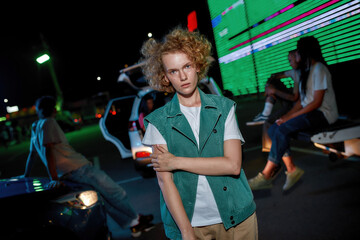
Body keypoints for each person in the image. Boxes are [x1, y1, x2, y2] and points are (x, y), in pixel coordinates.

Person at [140, 28, 257, 240]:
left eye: (187, 66)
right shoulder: (157, 122)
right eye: (173, 71)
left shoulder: (224, 108)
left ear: (197, 65)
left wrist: (175, 162)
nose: (183, 76)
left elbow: (232, 165)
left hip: (238, 219)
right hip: (191, 226)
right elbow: (165, 182)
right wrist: (186, 231)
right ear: (165, 76)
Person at [23, 96, 154, 237]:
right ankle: (136, 220)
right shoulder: (48, 122)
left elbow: (32, 154)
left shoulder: (35, 126)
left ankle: (134, 223)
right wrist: (53, 178)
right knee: (115, 192)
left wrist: (25, 176)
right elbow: (48, 151)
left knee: (105, 198)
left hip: (69, 173)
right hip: (79, 168)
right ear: (51, 109)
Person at [248, 36, 338, 191]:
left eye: (297, 53)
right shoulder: (306, 72)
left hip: (323, 114)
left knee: (283, 128)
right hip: (312, 112)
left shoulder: (319, 69)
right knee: (274, 128)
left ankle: (266, 175)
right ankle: (292, 169)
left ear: (305, 53)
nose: (295, 56)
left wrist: (290, 117)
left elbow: (316, 103)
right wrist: (286, 117)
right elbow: (301, 102)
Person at [246, 50, 300, 126]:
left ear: (298, 58)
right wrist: (268, 84)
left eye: (290, 61)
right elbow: (275, 75)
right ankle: (265, 113)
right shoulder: (294, 71)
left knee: (268, 123)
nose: (290, 64)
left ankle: (266, 114)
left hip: (297, 105)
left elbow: (294, 98)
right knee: (274, 81)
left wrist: (274, 91)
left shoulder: (299, 73)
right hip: (293, 103)